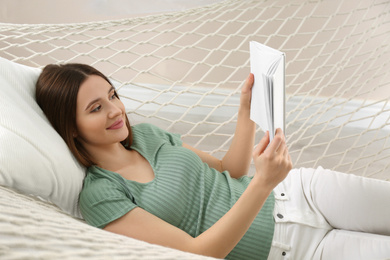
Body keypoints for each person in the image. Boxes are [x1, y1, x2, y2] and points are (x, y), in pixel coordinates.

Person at [35, 63, 390, 260]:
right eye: (96, 108)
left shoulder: (147, 135)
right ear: (72, 127)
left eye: (112, 95)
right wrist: (263, 182)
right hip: (296, 252)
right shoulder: (101, 195)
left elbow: (230, 170)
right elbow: (199, 253)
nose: (115, 111)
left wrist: (245, 111)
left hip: (305, 193)